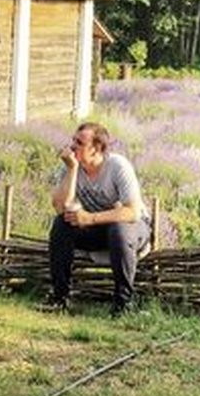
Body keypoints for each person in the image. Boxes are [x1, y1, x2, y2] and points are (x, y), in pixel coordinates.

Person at [43, 122, 150, 314]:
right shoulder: (71, 166)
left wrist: (90, 219)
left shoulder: (118, 166)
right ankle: (60, 298)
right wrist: (72, 170)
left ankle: (123, 304)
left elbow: (132, 212)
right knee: (61, 224)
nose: (73, 146)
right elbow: (60, 207)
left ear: (96, 148)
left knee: (119, 229)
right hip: (98, 229)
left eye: (80, 142)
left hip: (132, 227)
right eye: (73, 140)